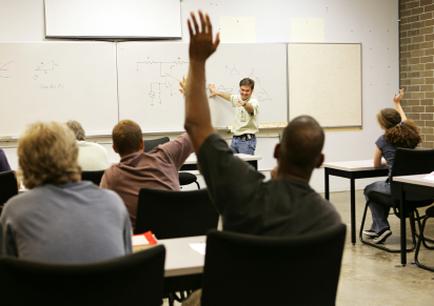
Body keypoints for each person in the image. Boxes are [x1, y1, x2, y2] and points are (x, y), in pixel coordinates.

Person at [180, 11, 342, 305]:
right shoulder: (329, 219)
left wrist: (197, 61)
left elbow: (196, 126)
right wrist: (217, 91)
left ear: (278, 152)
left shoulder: (242, 191)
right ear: (319, 162)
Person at [0, 122, 132, 263]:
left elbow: (9, 276)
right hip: (106, 285)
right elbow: (128, 265)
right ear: (74, 155)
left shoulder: (15, 211)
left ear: (25, 162)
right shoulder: (113, 203)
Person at [100, 120, 193, 228]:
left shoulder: (112, 176)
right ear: (142, 143)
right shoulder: (166, 155)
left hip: (143, 241)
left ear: (114, 148)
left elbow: (103, 211)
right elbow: (195, 133)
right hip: (179, 234)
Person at [363, 88, 421, 244]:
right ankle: (377, 228)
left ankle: (381, 227)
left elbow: (375, 165)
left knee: (370, 190)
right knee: (378, 189)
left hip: (396, 190)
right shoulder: (411, 134)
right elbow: (404, 120)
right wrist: (397, 103)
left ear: (383, 124)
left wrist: (386, 161)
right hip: (416, 190)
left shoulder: (383, 140)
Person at [208, 78, 259, 155]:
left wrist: (244, 103)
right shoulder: (238, 99)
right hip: (235, 140)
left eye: (247, 90)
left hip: (246, 142)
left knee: (245, 166)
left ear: (252, 91)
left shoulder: (253, 102)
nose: (244, 93)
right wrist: (216, 92)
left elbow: (251, 109)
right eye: (242, 90)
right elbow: (229, 97)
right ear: (240, 89)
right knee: (233, 166)